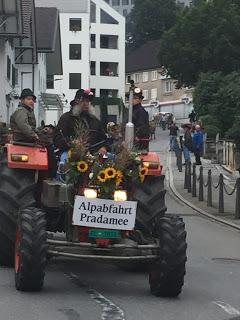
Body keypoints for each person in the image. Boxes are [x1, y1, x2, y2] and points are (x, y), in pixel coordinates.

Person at [54, 89, 107, 159]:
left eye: (88, 101)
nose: (86, 103)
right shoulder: (66, 118)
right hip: (71, 152)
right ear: (76, 102)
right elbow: (57, 139)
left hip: (93, 153)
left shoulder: (95, 120)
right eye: (83, 101)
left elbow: (104, 139)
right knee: (64, 161)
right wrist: (72, 143)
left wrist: (104, 147)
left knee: (111, 159)